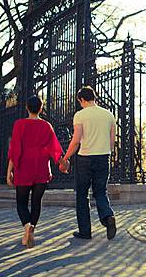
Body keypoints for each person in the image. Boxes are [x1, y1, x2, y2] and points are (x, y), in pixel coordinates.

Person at [59, 85, 117, 240]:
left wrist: (65, 158)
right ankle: (108, 216)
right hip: (104, 157)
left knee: (82, 194)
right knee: (100, 191)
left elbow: (76, 140)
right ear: (95, 97)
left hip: (85, 159)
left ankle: (85, 231)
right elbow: (112, 141)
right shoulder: (109, 115)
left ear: (82, 100)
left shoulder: (80, 115)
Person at [7, 95, 63, 248]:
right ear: (41, 108)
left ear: (26, 107)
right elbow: (53, 150)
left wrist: (9, 172)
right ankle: (31, 230)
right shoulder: (47, 126)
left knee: (21, 203)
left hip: (24, 167)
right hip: (41, 168)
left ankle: (27, 227)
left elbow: (15, 149)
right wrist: (55, 166)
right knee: (36, 202)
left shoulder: (19, 124)